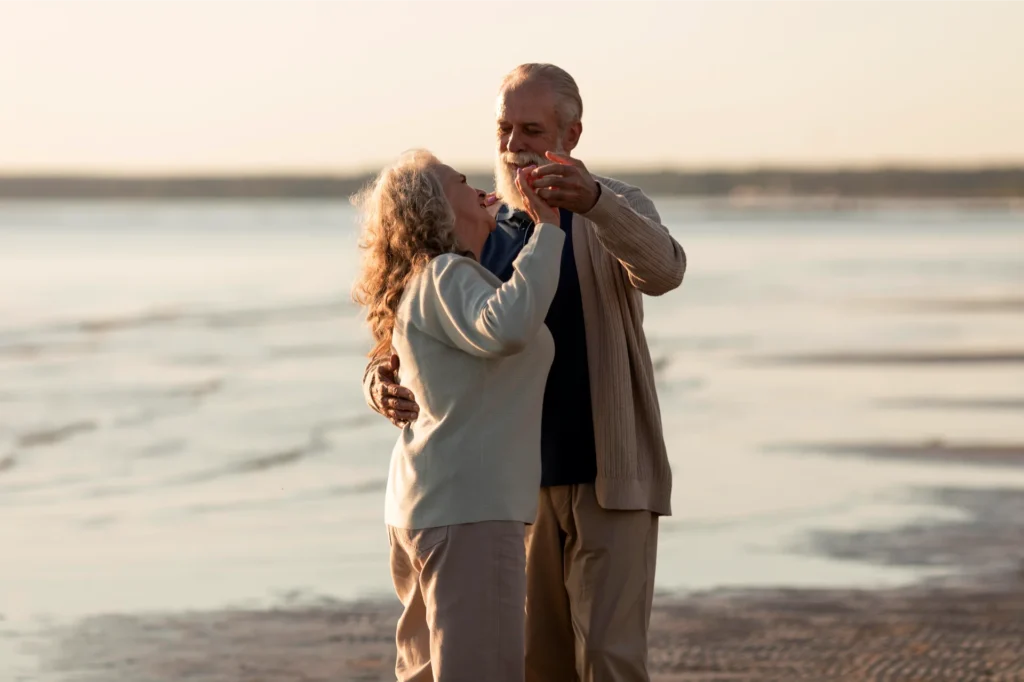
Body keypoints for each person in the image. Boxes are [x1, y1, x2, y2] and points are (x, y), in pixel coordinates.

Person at [363, 64, 687, 682]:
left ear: (572, 134)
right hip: (513, 489)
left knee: (613, 661)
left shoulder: (615, 206)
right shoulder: (480, 225)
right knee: (538, 664)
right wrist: (380, 376)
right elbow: (409, 318)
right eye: (503, 129)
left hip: (612, 474)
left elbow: (666, 271)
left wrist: (593, 205)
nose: (513, 146)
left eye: (531, 130)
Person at [352, 149, 565, 682]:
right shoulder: (445, 274)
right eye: (460, 182)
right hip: (467, 512)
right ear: (436, 209)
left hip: (426, 508)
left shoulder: (436, 279)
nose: (477, 186)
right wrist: (549, 230)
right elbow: (509, 326)